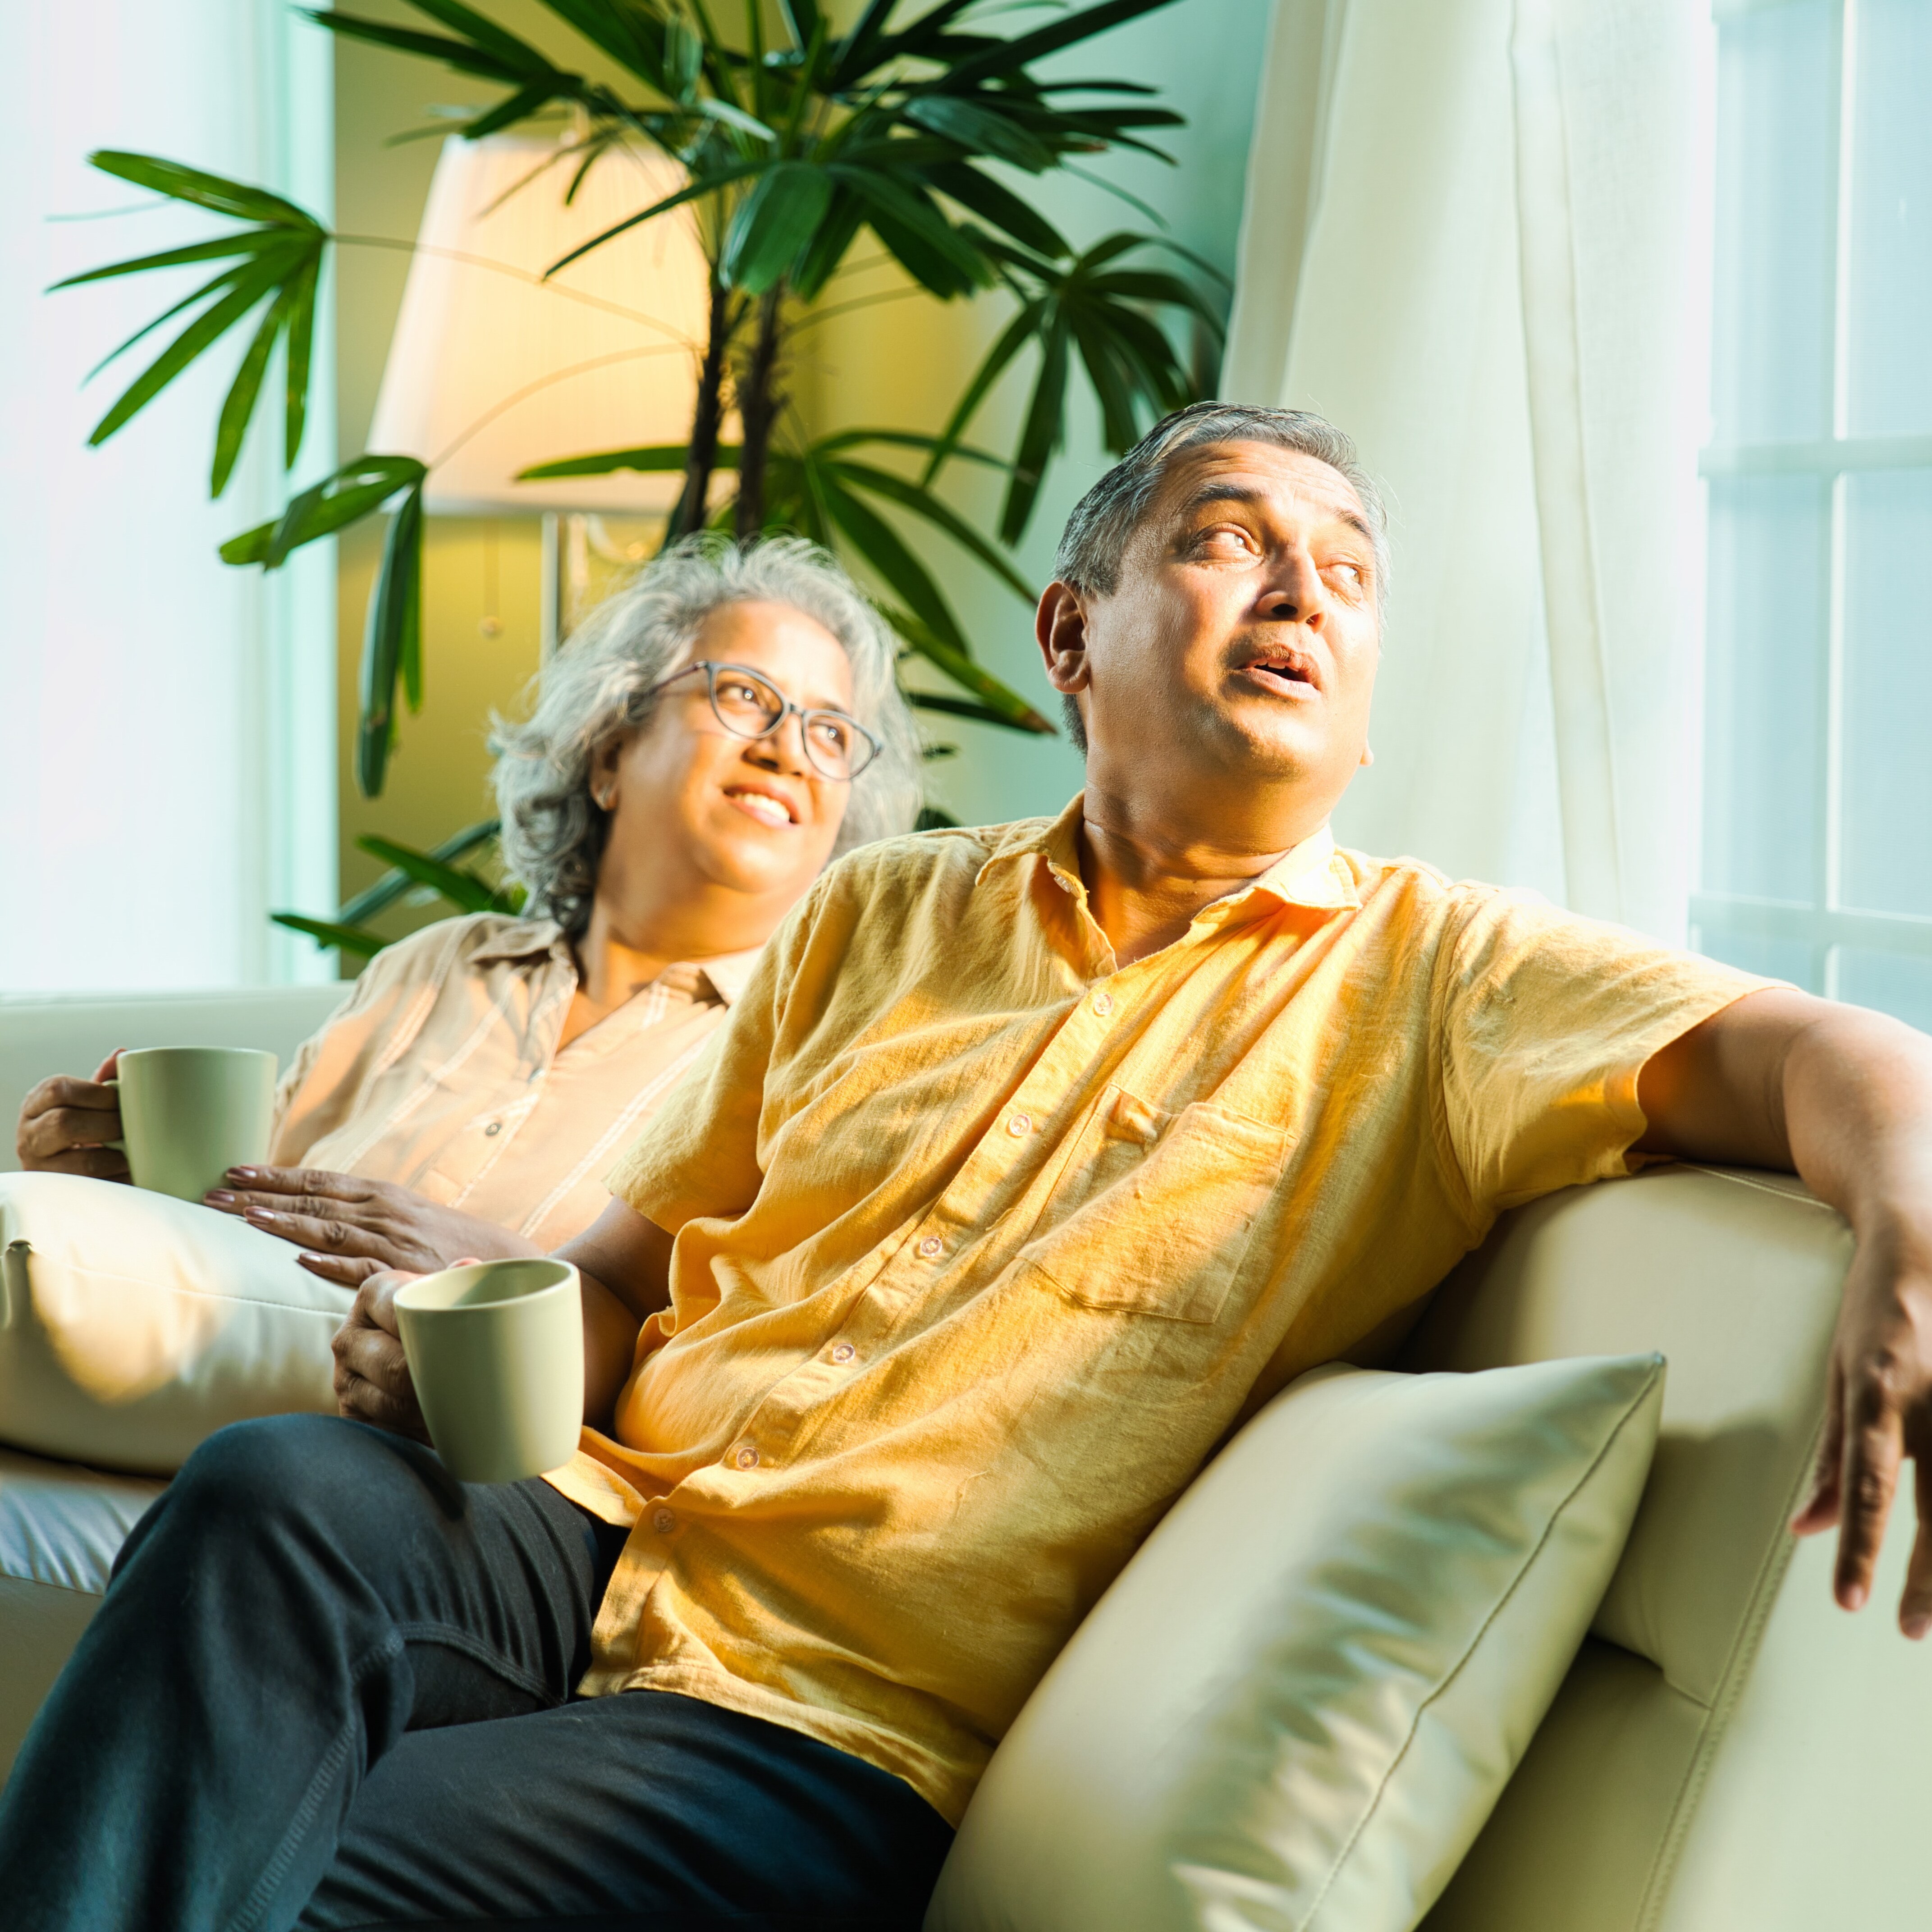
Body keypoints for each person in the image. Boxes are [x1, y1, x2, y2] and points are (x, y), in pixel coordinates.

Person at [6, 403, 1931, 1932]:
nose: (1302, 591)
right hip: (602, 1538)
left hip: (832, 1730)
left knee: (298, 1877)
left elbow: (1824, 1057)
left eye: (1344, 573)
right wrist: (450, 1342)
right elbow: (621, 1275)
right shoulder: (883, 910)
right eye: (1232, 539)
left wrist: (1909, 1213)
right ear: (1072, 635)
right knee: (277, 1487)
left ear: (1363, 706)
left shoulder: (1444, 978)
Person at [10, 536, 921, 1282]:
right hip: (235, 1375)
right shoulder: (434, 966)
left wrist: (494, 1272)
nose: (789, 749)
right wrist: (122, 1176)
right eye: (745, 695)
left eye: (831, 731)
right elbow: (235, 1203)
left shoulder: (817, 1047)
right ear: (607, 750)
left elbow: (753, 1341)